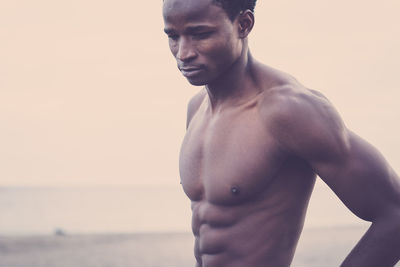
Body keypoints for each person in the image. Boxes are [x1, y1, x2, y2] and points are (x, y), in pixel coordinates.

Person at [162, 0, 400, 266]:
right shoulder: (196, 109)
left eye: (200, 34)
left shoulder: (288, 110)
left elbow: (395, 213)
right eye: (173, 36)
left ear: (243, 24)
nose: (183, 53)